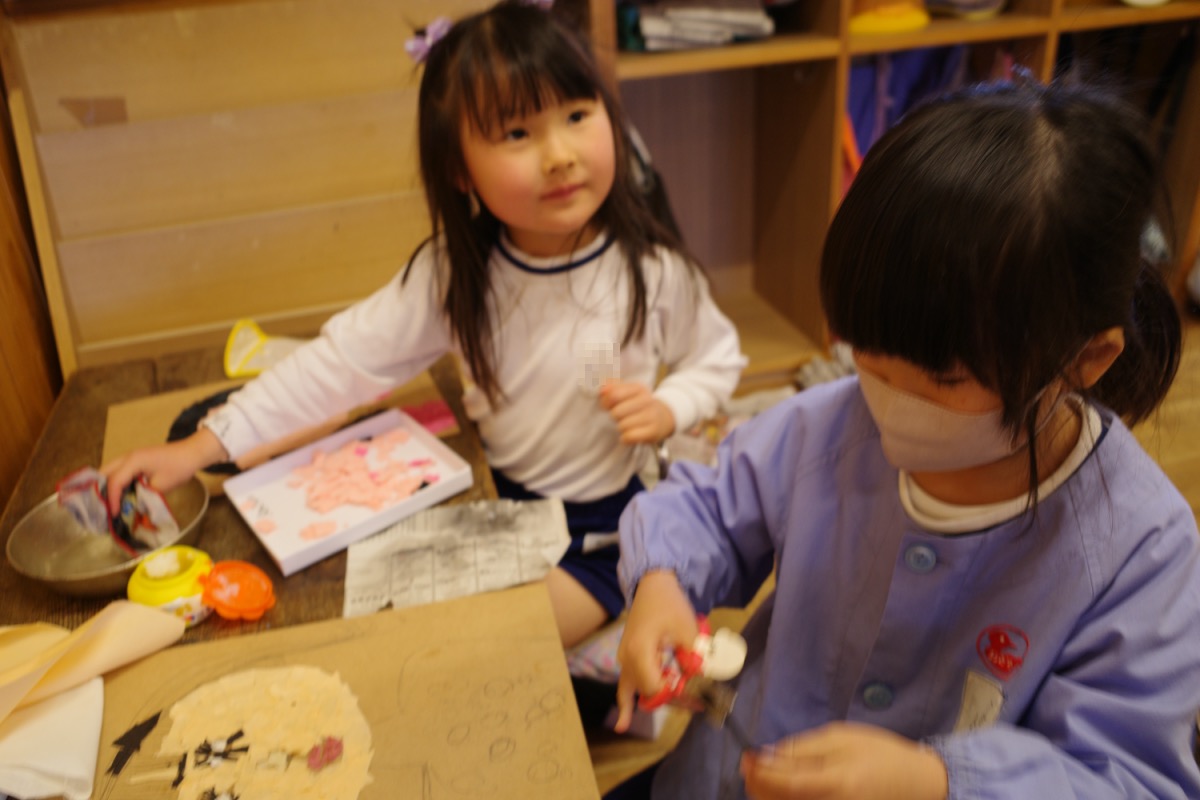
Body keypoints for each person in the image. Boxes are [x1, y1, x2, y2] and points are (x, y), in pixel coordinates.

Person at [611, 79, 1200, 799]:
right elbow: (705, 505)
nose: (887, 399)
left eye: (944, 379)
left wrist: (937, 781)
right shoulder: (824, 425)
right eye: (867, 353)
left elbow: (1130, 779)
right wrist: (662, 582)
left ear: (1085, 359)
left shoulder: (1142, 551)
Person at [102, 0, 745, 648]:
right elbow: (340, 363)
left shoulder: (652, 268)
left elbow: (717, 358)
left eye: (577, 116)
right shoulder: (453, 275)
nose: (559, 155)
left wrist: (669, 406)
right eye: (517, 133)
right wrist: (199, 448)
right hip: (494, 500)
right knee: (402, 632)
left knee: (504, 650)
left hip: (603, 530)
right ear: (460, 170)